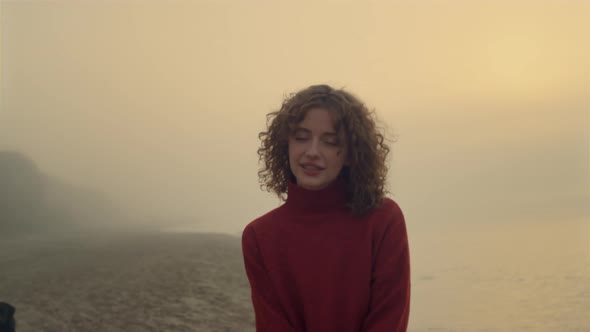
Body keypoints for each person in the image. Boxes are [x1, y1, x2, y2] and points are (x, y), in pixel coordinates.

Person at [242, 84, 410, 332]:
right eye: (301, 137)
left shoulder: (383, 219)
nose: (312, 152)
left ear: (352, 155)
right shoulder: (259, 236)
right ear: (284, 144)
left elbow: (389, 319)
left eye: (330, 142)